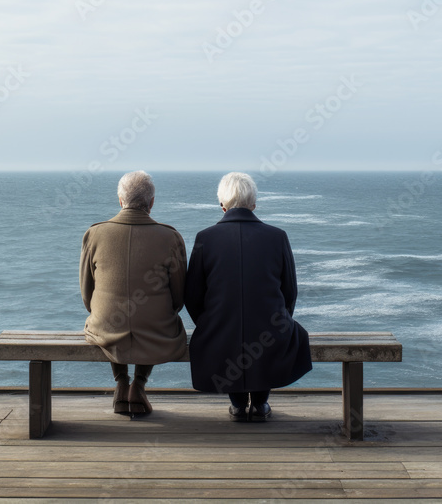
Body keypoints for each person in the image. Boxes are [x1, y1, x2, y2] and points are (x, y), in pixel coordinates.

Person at [185, 172, 312, 422]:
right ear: (254, 204)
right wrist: (280, 319)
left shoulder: (204, 238)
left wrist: (209, 322)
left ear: (222, 206)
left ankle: (238, 404)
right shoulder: (278, 236)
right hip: (270, 332)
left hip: (219, 333)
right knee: (270, 330)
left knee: (231, 332)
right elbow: (290, 291)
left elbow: (192, 294)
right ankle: (261, 403)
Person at [80, 171, 187, 416]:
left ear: (120, 200)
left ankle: (120, 383)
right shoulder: (170, 237)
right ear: (151, 202)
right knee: (151, 318)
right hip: (157, 331)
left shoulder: (94, 234)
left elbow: (87, 295)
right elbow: (178, 298)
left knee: (110, 315)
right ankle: (138, 384)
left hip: (106, 329)